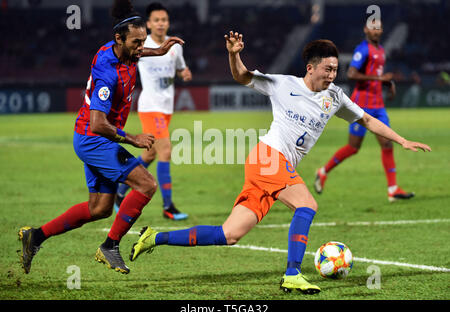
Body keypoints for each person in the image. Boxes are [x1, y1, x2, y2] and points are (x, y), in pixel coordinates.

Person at [127, 32, 431, 294]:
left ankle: (155, 236)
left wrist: (402, 140)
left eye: (335, 70)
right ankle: (292, 275)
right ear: (311, 68)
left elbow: (366, 119)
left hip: (269, 165)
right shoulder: (282, 84)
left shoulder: (335, 97)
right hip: (268, 158)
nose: (331, 75)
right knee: (307, 204)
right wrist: (234, 55)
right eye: (327, 69)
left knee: (229, 234)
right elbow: (242, 76)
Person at [17, 0, 184, 275]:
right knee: (146, 185)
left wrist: (159, 50)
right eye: (136, 43)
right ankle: (110, 246)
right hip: (95, 139)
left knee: (100, 208)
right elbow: (97, 123)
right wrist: (132, 139)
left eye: (143, 42)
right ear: (119, 39)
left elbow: (137, 52)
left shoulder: (123, 51)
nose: (140, 48)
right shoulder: (108, 72)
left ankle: (35, 236)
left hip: (93, 139)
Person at [314, 19, 414, 202]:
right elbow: (352, 74)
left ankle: (393, 189)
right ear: (366, 30)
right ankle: (323, 171)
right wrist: (379, 78)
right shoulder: (363, 49)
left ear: (382, 30)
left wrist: (386, 82)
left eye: (379, 28)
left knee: (387, 144)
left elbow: (376, 76)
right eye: (372, 28)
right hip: (362, 106)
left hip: (378, 106)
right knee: (353, 147)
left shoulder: (381, 51)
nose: (376, 31)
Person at [115, 2, 192, 221]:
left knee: (150, 153)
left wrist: (184, 73)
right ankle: (168, 206)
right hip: (150, 107)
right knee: (165, 150)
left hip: (167, 108)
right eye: (156, 20)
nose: (161, 24)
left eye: (164, 20)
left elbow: (178, 67)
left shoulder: (175, 46)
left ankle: (120, 191)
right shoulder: (141, 44)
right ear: (148, 24)